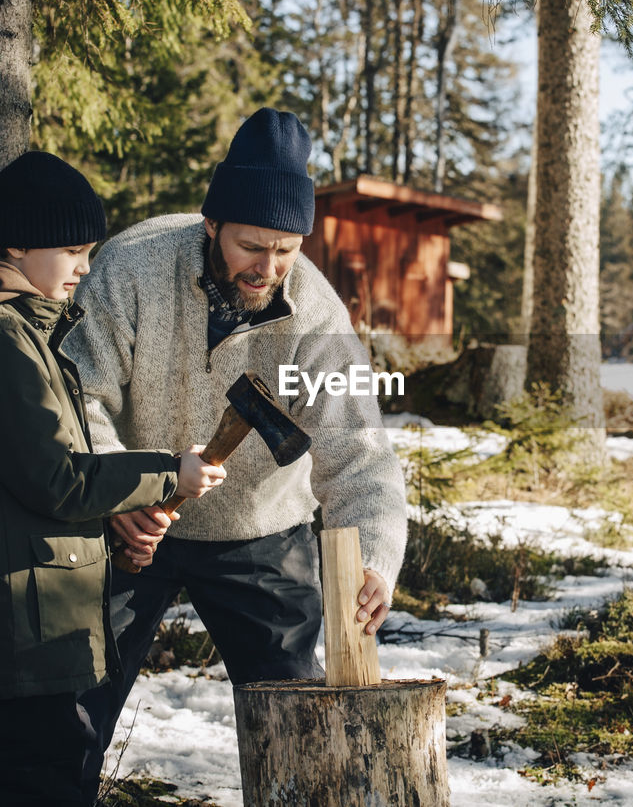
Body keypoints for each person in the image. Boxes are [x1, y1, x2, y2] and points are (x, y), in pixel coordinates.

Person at [63, 108, 408, 794]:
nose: (270, 267)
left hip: (260, 530)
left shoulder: (315, 314)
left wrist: (372, 554)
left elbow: (358, 452)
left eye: (286, 249)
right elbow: (80, 396)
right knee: (72, 701)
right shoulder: (133, 267)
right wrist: (116, 490)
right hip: (137, 519)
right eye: (253, 245)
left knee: (294, 714)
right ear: (211, 222)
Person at [0, 151, 226, 806]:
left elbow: (26, 490)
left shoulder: (24, 334)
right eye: (74, 249)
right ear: (20, 242)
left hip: (26, 638)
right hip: (11, 650)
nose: (86, 267)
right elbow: (55, 477)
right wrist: (169, 474)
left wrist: (115, 535)